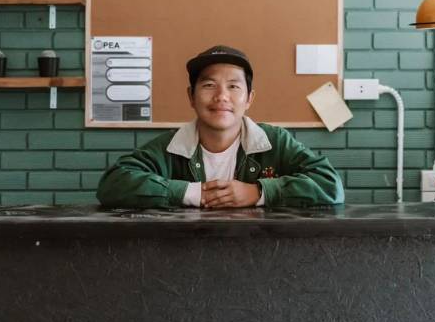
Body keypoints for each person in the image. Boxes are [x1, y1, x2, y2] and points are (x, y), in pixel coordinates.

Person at [96, 45, 345, 209]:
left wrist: (258, 192)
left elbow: (330, 185)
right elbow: (112, 184)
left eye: (234, 86)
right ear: (191, 97)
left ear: (249, 99)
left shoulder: (275, 141)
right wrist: (191, 193)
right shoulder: (170, 147)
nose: (221, 96)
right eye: (209, 85)